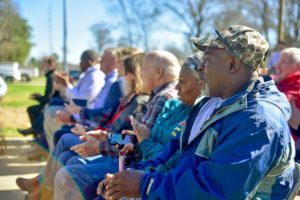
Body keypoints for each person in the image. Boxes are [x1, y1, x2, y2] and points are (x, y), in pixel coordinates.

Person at [99, 25, 296, 200]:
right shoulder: (212, 104)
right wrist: (127, 177)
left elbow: (216, 191)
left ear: (233, 65)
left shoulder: (258, 120)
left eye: (208, 60)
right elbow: (174, 154)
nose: (201, 67)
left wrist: (145, 185)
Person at [53, 52, 208, 200]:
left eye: (125, 72)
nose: (121, 77)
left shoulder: (162, 99)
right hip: (133, 162)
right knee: (69, 158)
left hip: (131, 162)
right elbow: (133, 137)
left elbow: (136, 143)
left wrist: (102, 144)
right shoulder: (158, 100)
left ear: (157, 72)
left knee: (67, 166)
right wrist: (106, 136)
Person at [43, 50, 105, 152]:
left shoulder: (95, 76)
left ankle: (53, 151)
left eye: (81, 61)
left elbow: (83, 101)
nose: (79, 64)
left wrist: (67, 85)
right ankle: (52, 150)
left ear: (90, 61)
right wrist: (67, 85)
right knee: (50, 107)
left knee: (50, 112)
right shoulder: (87, 75)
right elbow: (78, 97)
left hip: (84, 116)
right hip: (78, 112)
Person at [18, 57, 57, 135]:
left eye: (44, 65)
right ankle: (36, 131)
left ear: (50, 66)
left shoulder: (51, 77)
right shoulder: (52, 76)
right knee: (33, 109)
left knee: (31, 110)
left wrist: (37, 97)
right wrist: (39, 96)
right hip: (52, 104)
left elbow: (49, 98)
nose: (42, 67)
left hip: (53, 105)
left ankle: (36, 132)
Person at [275, 47, 300, 160]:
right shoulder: (280, 85)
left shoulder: (296, 88)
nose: (277, 65)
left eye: (283, 62)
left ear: (298, 66)